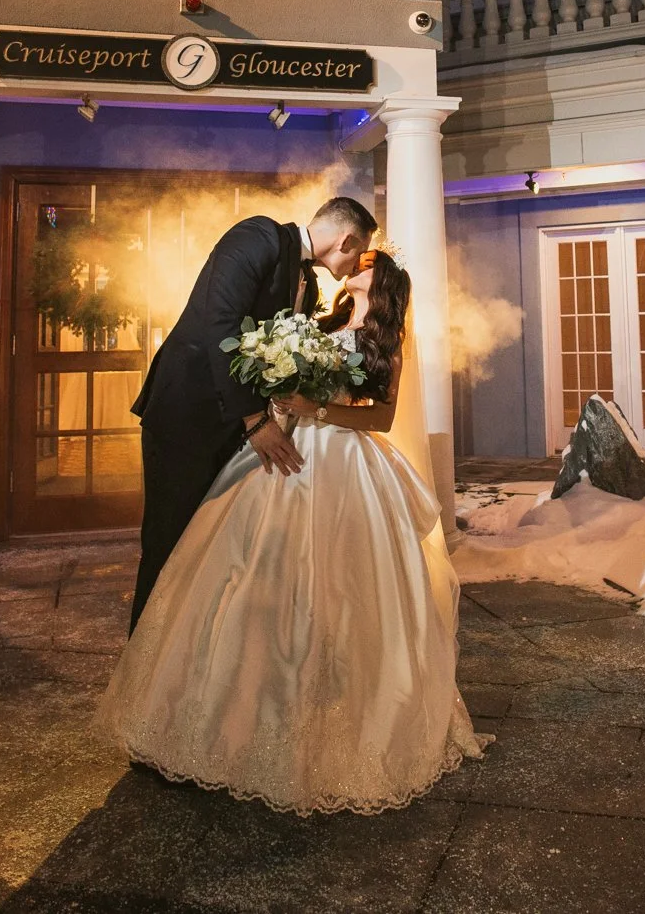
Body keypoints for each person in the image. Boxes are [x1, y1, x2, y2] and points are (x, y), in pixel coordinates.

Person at [99, 248, 484, 815]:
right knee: (252, 579)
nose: (359, 259)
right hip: (283, 449)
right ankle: (244, 715)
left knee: (338, 589)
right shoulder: (318, 324)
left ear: (383, 284)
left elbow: (378, 417)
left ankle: (338, 715)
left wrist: (316, 408)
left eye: (370, 260)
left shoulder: (385, 340)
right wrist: (278, 392)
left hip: (341, 463)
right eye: (361, 250)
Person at [127, 196, 377, 629]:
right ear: (347, 239)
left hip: (240, 430)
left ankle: (198, 654)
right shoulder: (257, 236)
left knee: (217, 542)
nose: (356, 265)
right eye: (358, 253)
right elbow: (219, 323)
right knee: (169, 539)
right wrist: (254, 421)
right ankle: (145, 659)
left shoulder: (311, 286)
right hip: (187, 414)